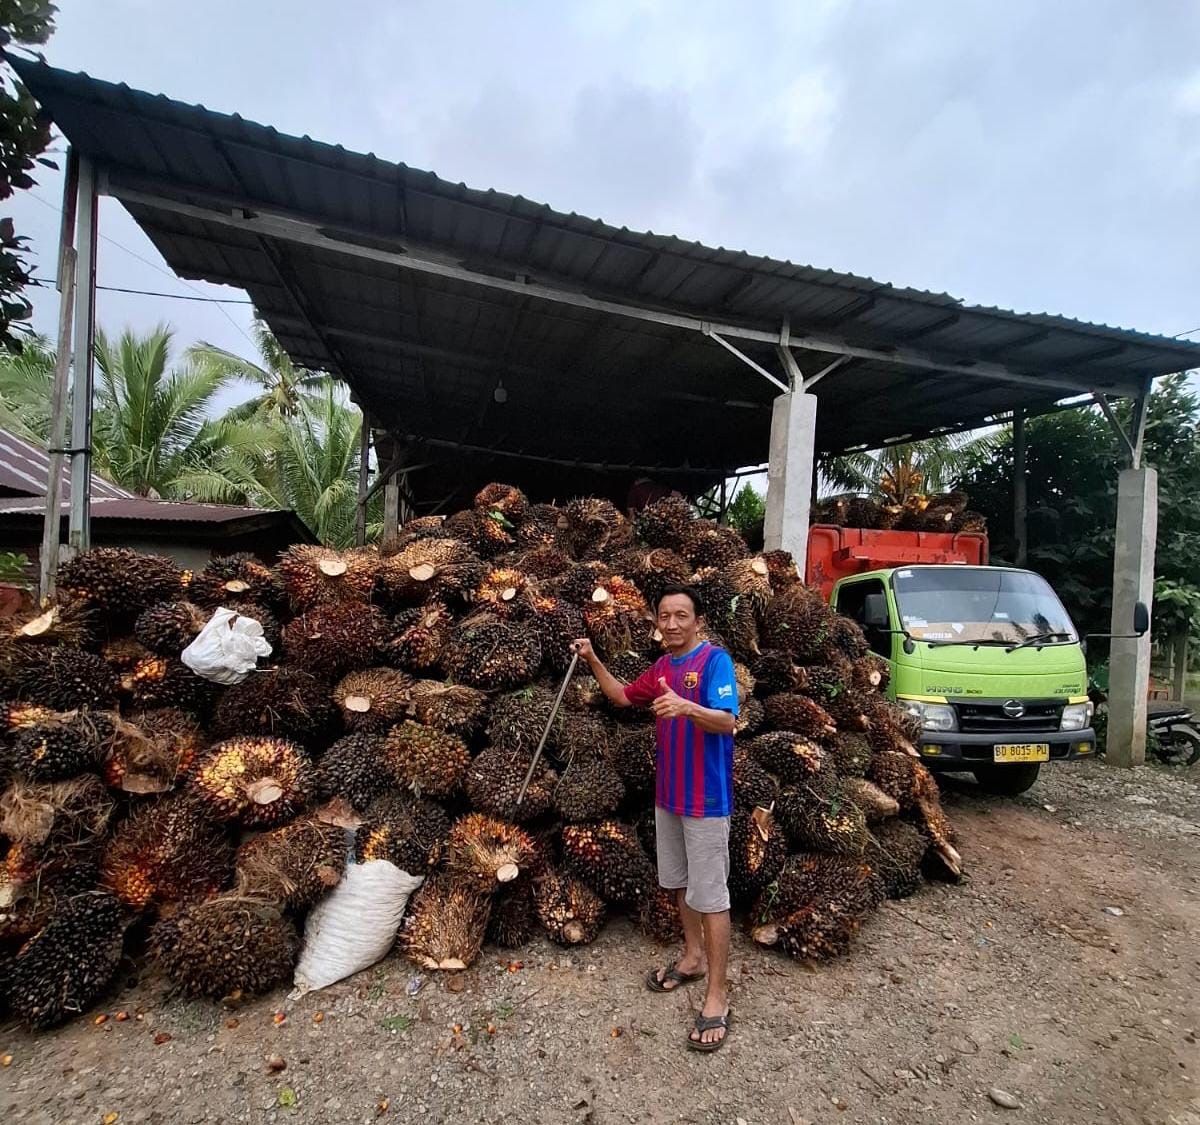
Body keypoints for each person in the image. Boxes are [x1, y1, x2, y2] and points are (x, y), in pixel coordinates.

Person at [571, 584, 738, 1052]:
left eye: (681, 615)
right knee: (680, 884)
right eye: (664, 615)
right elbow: (623, 698)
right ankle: (692, 958)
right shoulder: (664, 666)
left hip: (706, 801)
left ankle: (718, 995)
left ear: (697, 620)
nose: (671, 623)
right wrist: (593, 659)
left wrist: (686, 707)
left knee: (712, 896)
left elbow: (727, 721)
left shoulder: (714, 662)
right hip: (670, 799)